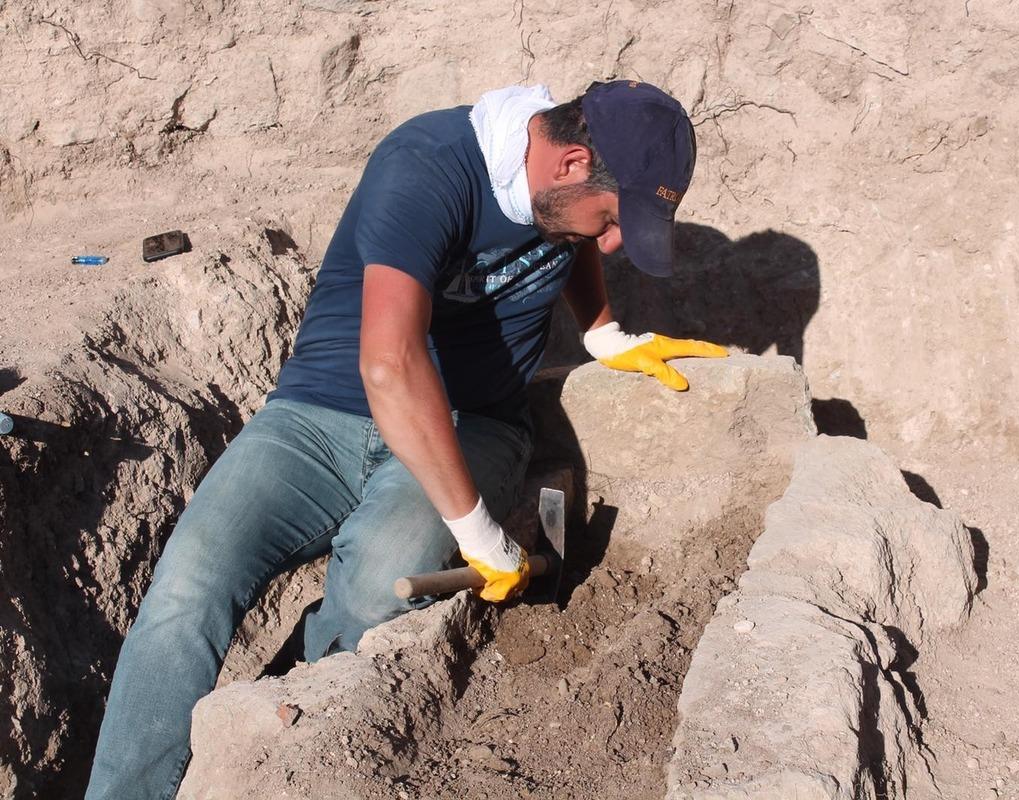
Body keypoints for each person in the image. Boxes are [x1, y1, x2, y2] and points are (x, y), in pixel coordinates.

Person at [84, 79, 727, 799]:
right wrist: (480, 533)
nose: (610, 240)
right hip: (318, 413)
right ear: (572, 162)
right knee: (186, 587)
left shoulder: (560, 199)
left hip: (476, 424)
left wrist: (602, 331)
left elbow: (569, 237)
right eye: (610, 219)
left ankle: (272, 747)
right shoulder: (428, 165)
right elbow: (390, 363)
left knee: (372, 587)